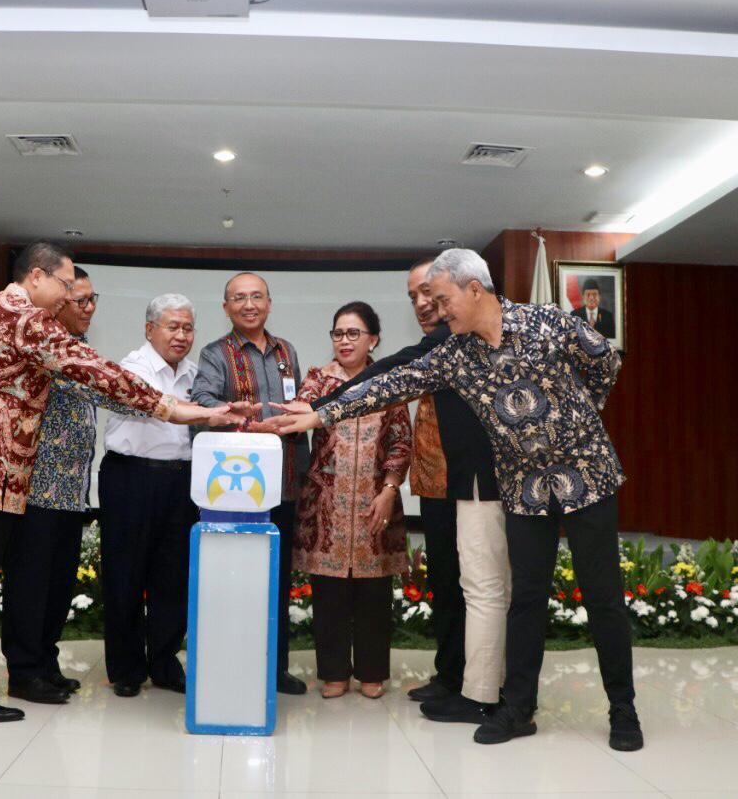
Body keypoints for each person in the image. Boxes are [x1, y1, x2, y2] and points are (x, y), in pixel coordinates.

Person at [260, 248, 643, 752]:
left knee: (603, 598)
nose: (437, 310)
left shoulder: (547, 321)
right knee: (526, 599)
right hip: (522, 486)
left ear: (474, 289)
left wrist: (577, 418)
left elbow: (604, 362)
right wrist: (320, 413)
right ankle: (518, 710)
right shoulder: (456, 355)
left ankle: (623, 711)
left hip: (586, 474)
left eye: (442, 299)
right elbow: (393, 382)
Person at [0, 241, 242, 724]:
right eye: (65, 285)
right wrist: (183, 410)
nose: (68, 296)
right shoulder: (30, 319)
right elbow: (102, 376)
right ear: (36, 276)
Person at [305, 258, 507, 724]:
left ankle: (482, 685)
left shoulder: (459, 343)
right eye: (414, 296)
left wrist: (390, 484)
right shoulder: (327, 375)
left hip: (474, 482)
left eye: (430, 294)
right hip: (432, 483)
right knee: (448, 582)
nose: (422, 303)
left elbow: (398, 421)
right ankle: (452, 677)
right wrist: (314, 408)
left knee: (481, 586)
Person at [2, 267, 132, 705]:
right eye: (81, 300)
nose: (89, 308)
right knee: (30, 585)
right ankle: (24, 672)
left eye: (94, 299)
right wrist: (173, 408)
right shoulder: (46, 345)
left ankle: (45, 663)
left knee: (57, 587)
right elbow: (111, 394)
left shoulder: (80, 346)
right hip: (37, 491)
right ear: (58, 300)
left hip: (71, 494)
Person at [190, 271, 311, 695]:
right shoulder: (215, 353)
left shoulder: (286, 352)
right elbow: (201, 402)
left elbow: (297, 406)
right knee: (236, 582)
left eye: (256, 296)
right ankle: (233, 669)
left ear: (269, 303)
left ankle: (275, 669)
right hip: (236, 490)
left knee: (276, 581)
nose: (249, 304)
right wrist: (238, 416)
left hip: (285, 483)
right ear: (226, 308)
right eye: (238, 298)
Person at [294, 301, 411, 699]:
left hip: (375, 503)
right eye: (338, 334)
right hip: (326, 506)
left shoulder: (389, 382)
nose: (344, 341)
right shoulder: (318, 379)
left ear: (373, 339)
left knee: (374, 594)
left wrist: (389, 490)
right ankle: (334, 673)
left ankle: (372, 673)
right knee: (329, 593)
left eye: (353, 333)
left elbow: (401, 441)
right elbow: (303, 408)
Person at [99, 293, 201, 697]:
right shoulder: (132, 367)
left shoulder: (194, 374)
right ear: (149, 329)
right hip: (131, 477)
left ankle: (164, 662)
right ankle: (126, 669)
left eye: (188, 328)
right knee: (125, 572)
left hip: (180, 481)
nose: (181, 335)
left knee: (173, 575)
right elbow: (160, 406)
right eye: (172, 326)